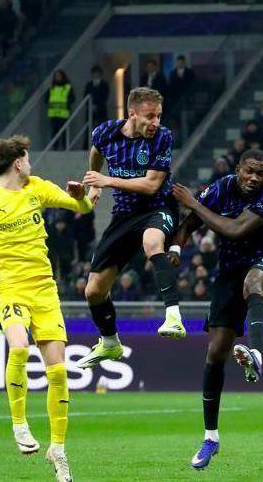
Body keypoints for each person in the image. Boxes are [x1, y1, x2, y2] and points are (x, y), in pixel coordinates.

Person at [0, 135, 94, 482]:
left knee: (58, 372)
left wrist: (81, 196)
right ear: (17, 162)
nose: (31, 162)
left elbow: (82, 208)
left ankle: (58, 450)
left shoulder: (38, 188)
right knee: (19, 346)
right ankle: (20, 424)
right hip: (11, 287)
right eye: (27, 157)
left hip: (44, 290)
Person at [168, 149, 263, 469]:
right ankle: (211, 438)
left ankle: (256, 354)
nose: (254, 178)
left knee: (254, 283)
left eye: (260, 173)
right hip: (228, 271)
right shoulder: (221, 188)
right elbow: (189, 224)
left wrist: (194, 203)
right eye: (249, 171)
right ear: (238, 169)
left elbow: (235, 229)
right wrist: (176, 246)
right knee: (216, 351)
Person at [77, 87, 185, 370]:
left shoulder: (162, 137)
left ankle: (173, 316)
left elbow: (151, 185)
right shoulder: (106, 133)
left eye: (159, 116)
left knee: (152, 242)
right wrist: (94, 185)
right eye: (150, 116)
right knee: (93, 291)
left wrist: (107, 181)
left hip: (157, 208)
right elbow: (96, 153)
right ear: (132, 113)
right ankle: (110, 343)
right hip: (124, 215)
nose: (156, 122)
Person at [47, 70, 74, 149]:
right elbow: (46, 99)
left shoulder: (67, 87)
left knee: (64, 132)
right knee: (54, 131)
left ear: (63, 77)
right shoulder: (51, 88)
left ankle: (65, 147)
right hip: (53, 113)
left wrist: (67, 102)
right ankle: (55, 148)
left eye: (59, 76)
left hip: (63, 113)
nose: (58, 78)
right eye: (56, 76)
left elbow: (72, 98)